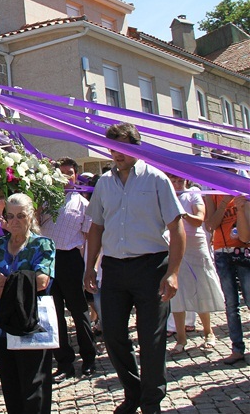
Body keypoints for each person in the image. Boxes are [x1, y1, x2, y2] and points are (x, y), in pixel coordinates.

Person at [84, 122, 185, 414]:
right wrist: (89, 267)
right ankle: (133, 392)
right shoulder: (103, 183)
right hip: (114, 269)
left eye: (123, 147)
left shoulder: (156, 179)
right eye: (112, 147)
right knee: (113, 333)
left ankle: (151, 402)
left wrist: (173, 272)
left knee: (151, 337)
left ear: (136, 147)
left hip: (152, 266)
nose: (117, 154)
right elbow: (96, 227)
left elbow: (176, 227)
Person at [0, 193, 56, 414]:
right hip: (0, 324)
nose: (15, 221)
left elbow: (42, 281)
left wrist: (1, 282)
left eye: (21, 216)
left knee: (35, 386)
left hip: (31, 323)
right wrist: (20, 287)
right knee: (10, 386)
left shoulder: (42, 245)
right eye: (10, 216)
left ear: (30, 216)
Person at [39, 157, 96, 382]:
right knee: (54, 315)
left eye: (69, 173)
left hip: (70, 259)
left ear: (76, 175)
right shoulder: (44, 202)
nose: (65, 177)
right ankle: (64, 363)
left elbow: (88, 239)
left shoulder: (83, 204)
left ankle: (89, 358)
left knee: (79, 311)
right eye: (61, 173)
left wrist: (90, 268)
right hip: (47, 260)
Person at [165, 173, 224, 354]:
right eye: (173, 181)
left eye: (180, 180)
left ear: (186, 181)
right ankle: (181, 338)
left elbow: (199, 220)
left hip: (195, 247)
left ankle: (208, 332)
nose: (177, 184)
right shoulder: (165, 195)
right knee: (177, 294)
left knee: (200, 290)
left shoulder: (193, 194)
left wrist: (181, 212)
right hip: (173, 246)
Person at [204, 159, 250, 365]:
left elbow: (246, 233)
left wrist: (239, 205)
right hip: (222, 252)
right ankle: (237, 348)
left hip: (244, 250)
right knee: (231, 304)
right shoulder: (209, 194)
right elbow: (211, 225)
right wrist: (223, 201)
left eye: (229, 171)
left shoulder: (244, 194)